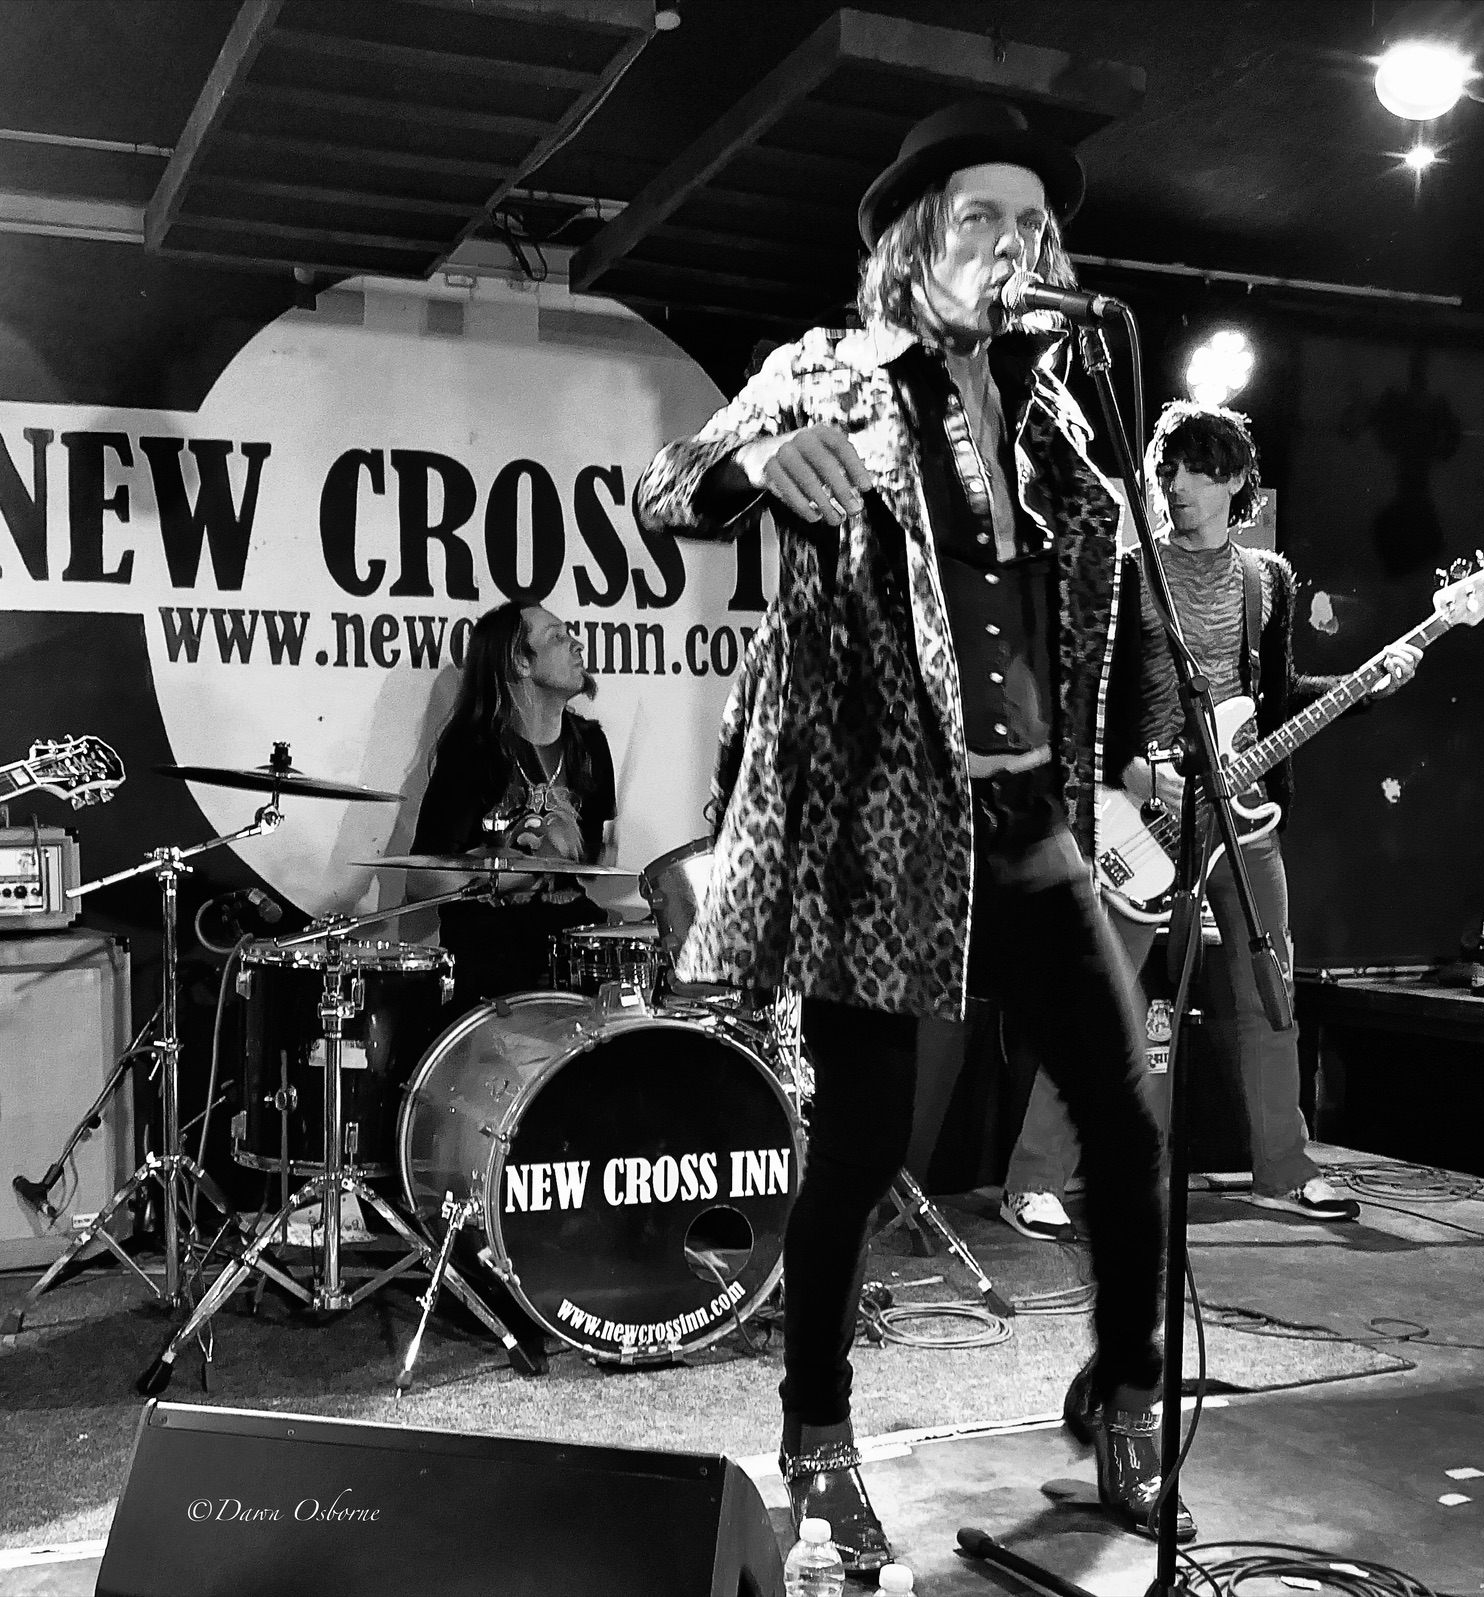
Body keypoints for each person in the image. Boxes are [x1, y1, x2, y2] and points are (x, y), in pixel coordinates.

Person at [634, 99, 1187, 1564]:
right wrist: (752, 466)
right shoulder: (830, 371)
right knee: (863, 1142)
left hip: (1031, 823)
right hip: (880, 830)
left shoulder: (1062, 413)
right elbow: (665, 486)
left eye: (1029, 222)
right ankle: (816, 1437)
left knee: (1127, 1122)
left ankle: (1129, 1396)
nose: (1010, 243)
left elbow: (1101, 616)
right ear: (915, 242)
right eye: (979, 217)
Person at [1002, 401, 1422, 1241]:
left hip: (1243, 817)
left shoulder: (1267, 580)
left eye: (1197, 470)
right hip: (1142, 816)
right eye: (1167, 470)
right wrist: (1130, 771)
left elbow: (1272, 699)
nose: (1177, 485)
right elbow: (1074, 698)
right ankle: (1033, 1179)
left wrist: (1364, 687)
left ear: (1235, 482)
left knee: (1271, 995)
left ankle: (1283, 1168)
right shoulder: (1126, 574)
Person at [411, 602, 615, 1009]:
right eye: (557, 637)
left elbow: (592, 859)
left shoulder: (590, 745)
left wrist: (596, 853)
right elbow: (422, 880)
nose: (577, 645)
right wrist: (510, 872)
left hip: (568, 943)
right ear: (521, 662)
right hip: (493, 950)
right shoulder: (474, 751)